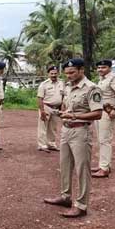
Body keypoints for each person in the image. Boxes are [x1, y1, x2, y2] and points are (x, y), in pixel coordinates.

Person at [43, 58, 102, 218]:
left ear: (81, 70)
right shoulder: (68, 87)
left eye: (72, 72)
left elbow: (98, 113)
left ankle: (81, 206)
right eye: (67, 73)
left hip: (81, 131)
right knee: (65, 165)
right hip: (66, 130)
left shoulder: (91, 88)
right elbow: (67, 106)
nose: (68, 76)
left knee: (82, 169)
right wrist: (62, 112)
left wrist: (74, 115)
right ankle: (65, 197)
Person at [92, 59, 115, 178]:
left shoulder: (114, 78)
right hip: (101, 112)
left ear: (109, 68)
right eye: (98, 68)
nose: (100, 70)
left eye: (103, 67)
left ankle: (104, 169)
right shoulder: (103, 79)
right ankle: (104, 165)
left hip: (108, 112)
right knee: (101, 139)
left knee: (105, 140)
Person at [36, 65, 65, 153]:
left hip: (57, 108)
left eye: (55, 73)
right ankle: (42, 145)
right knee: (43, 126)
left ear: (58, 74)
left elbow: (63, 96)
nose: (53, 75)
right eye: (51, 73)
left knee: (53, 127)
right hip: (46, 107)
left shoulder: (62, 83)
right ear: (48, 74)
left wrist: (62, 108)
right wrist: (42, 111)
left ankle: (51, 144)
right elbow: (39, 98)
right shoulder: (44, 84)